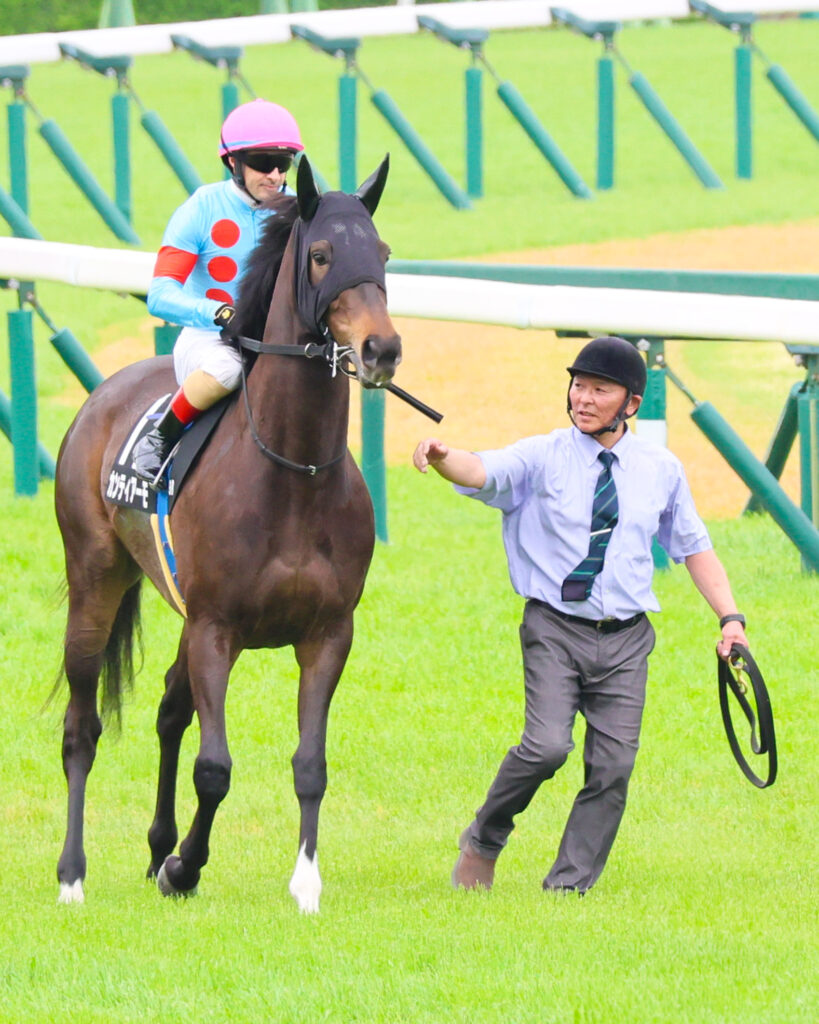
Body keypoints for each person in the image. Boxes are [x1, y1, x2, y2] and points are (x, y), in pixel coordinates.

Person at [412, 335, 749, 895]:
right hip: (554, 629)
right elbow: (482, 470)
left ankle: (568, 888)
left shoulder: (661, 469)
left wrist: (730, 619)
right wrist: (445, 457)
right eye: (578, 385)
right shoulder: (543, 455)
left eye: (600, 389)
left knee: (613, 769)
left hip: (627, 640)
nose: (583, 398)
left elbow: (694, 547)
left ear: (631, 403)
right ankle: (485, 838)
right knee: (546, 747)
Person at [131, 98, 304, 485]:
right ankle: (158, 440)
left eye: (284, 162)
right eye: (262, 162)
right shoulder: (201, 209)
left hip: (277, 342)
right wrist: (219, 314)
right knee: (229, 368)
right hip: (210, 340)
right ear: (233, 162)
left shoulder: (300, 211)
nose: (275, 174)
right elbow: (160, 295)